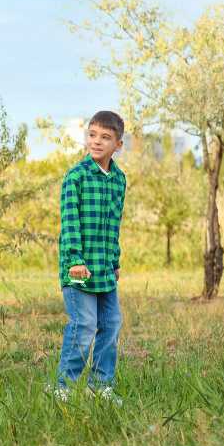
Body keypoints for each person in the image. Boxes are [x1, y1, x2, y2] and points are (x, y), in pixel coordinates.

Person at [54, 111, 128, 401]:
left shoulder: (119, 179)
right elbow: (70, 223)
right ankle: (63, 387)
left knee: (111, 324)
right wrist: (74, 260)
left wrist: (115, 262)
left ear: (118, 145)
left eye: (105, 138)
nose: (97, 142)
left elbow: (114, 225)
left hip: (104, 267)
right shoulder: (76, 177)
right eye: (93, 135)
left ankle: (101, 387)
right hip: (79, 267)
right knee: (83, 325)